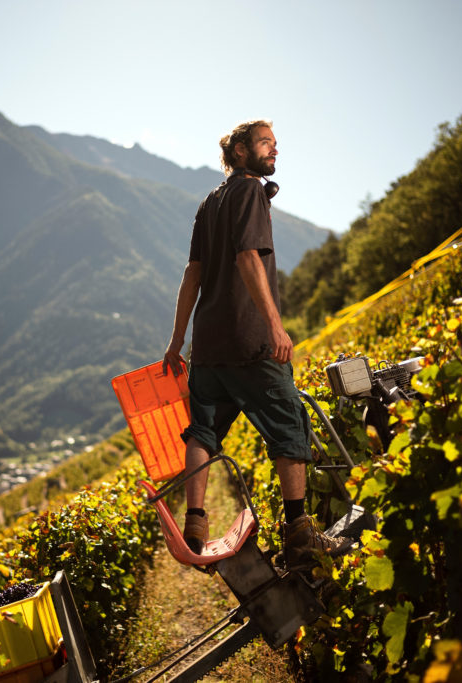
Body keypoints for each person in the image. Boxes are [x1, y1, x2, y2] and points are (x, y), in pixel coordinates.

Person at [162, 119, 349, 570]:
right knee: (289, 424)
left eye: (276, 144)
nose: (275, 151)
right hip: (250, 340)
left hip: (207, 348)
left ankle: (196, 520)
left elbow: (193, 274)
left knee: (203, 432)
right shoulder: (249, 192)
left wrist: (176, 342)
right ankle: (300, 532)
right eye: (266, 143)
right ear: (241, 151)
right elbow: (248, 258)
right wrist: (274, 326)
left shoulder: (209, 202)